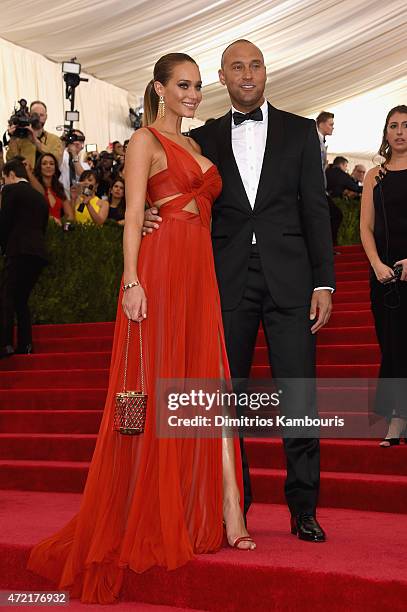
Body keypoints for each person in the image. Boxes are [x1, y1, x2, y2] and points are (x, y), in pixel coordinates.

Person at [27, 52, 254, 605]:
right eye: (184, 85)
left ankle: (228, 511)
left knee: (211, 385)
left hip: (200, 275)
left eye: (199, 86)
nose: (194, 95)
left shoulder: (198, 147)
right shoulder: (143, 143)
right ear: (159, 87)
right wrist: (130, 279)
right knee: (160, 388)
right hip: (160, 270)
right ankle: (168, 508)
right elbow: (133, 217)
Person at [144, 40, 335, 542]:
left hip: (292, 281)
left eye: (255, 65)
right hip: (224, 282)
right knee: (228, 400)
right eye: (236, 68)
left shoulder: (299, 131)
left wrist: (324, 281)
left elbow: (316, 210)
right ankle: (236, 506)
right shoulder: (201, 139)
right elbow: (173, 189)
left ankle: (303, 508)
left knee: (299, 395)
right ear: (223, 80)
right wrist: (147, 216)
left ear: (265, 72)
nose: (247, 75)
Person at [360, 105, 407, 446]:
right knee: (391, 345)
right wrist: (376, 264)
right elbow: (365, 226)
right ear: (385, 133)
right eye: (393, 125)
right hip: (384, 274)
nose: (400, 131)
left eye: (406, 125)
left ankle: (398, 419)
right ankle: (397, 417)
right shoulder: (374, 175)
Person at [0, 159, 48, 357]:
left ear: (11, 174)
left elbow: (4, 222)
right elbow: (43, 228)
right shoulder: (40, 197)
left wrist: (3, 247)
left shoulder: (11, 191)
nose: (4, 182)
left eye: (4, 178)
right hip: (37, 254)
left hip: (18, 250)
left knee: (5, 297)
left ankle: (5, 345)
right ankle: (26, 345)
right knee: (21, 299)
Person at [6, 101, 63, 168]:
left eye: (41, 115)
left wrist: (35, 141)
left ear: (46, 117)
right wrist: (12, 138)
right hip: (26, 177)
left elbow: (57, 160)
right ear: (29, 115)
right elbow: (10, 162)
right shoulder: (19, 139)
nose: (38, 118)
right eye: (35, 115)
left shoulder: (55, 140)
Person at [34, 153, 73, 224]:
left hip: (57, 231)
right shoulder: (34, 188)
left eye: (51, 164)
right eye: (44, 163)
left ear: (55, 168)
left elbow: (70, 216)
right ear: (39, 167)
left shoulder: (59, 188)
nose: (48, 166)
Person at [59, 129, 90, 200]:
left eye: (80, 139)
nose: (77, 142)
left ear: (82, 145)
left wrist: (74, 154)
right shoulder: (62, 157)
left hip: (78, 201)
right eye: (74, 138)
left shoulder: (85, 165)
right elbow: (56, 165)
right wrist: (63, 143)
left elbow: (84, 178)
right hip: (62, 199)